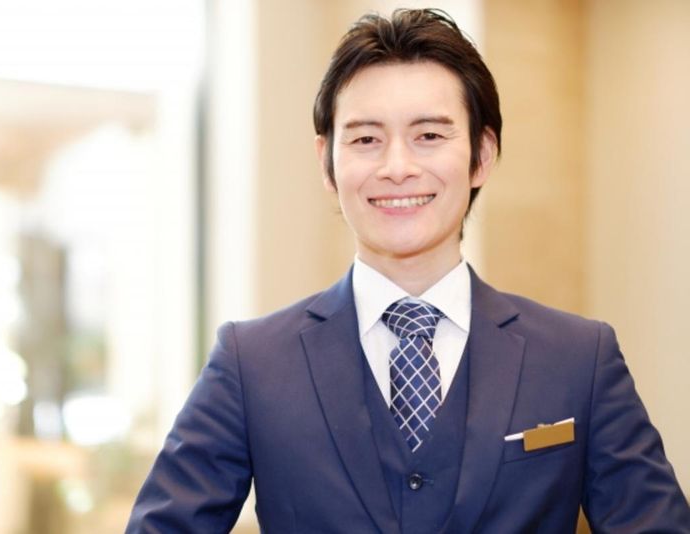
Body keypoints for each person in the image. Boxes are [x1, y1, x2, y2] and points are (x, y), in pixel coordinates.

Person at [126, 9, 690, 533]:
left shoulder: (579, 359)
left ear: (482, 154)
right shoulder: (251, 364)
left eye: (429, 136)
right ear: (327, 162)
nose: (397, 167)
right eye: (366, 139)